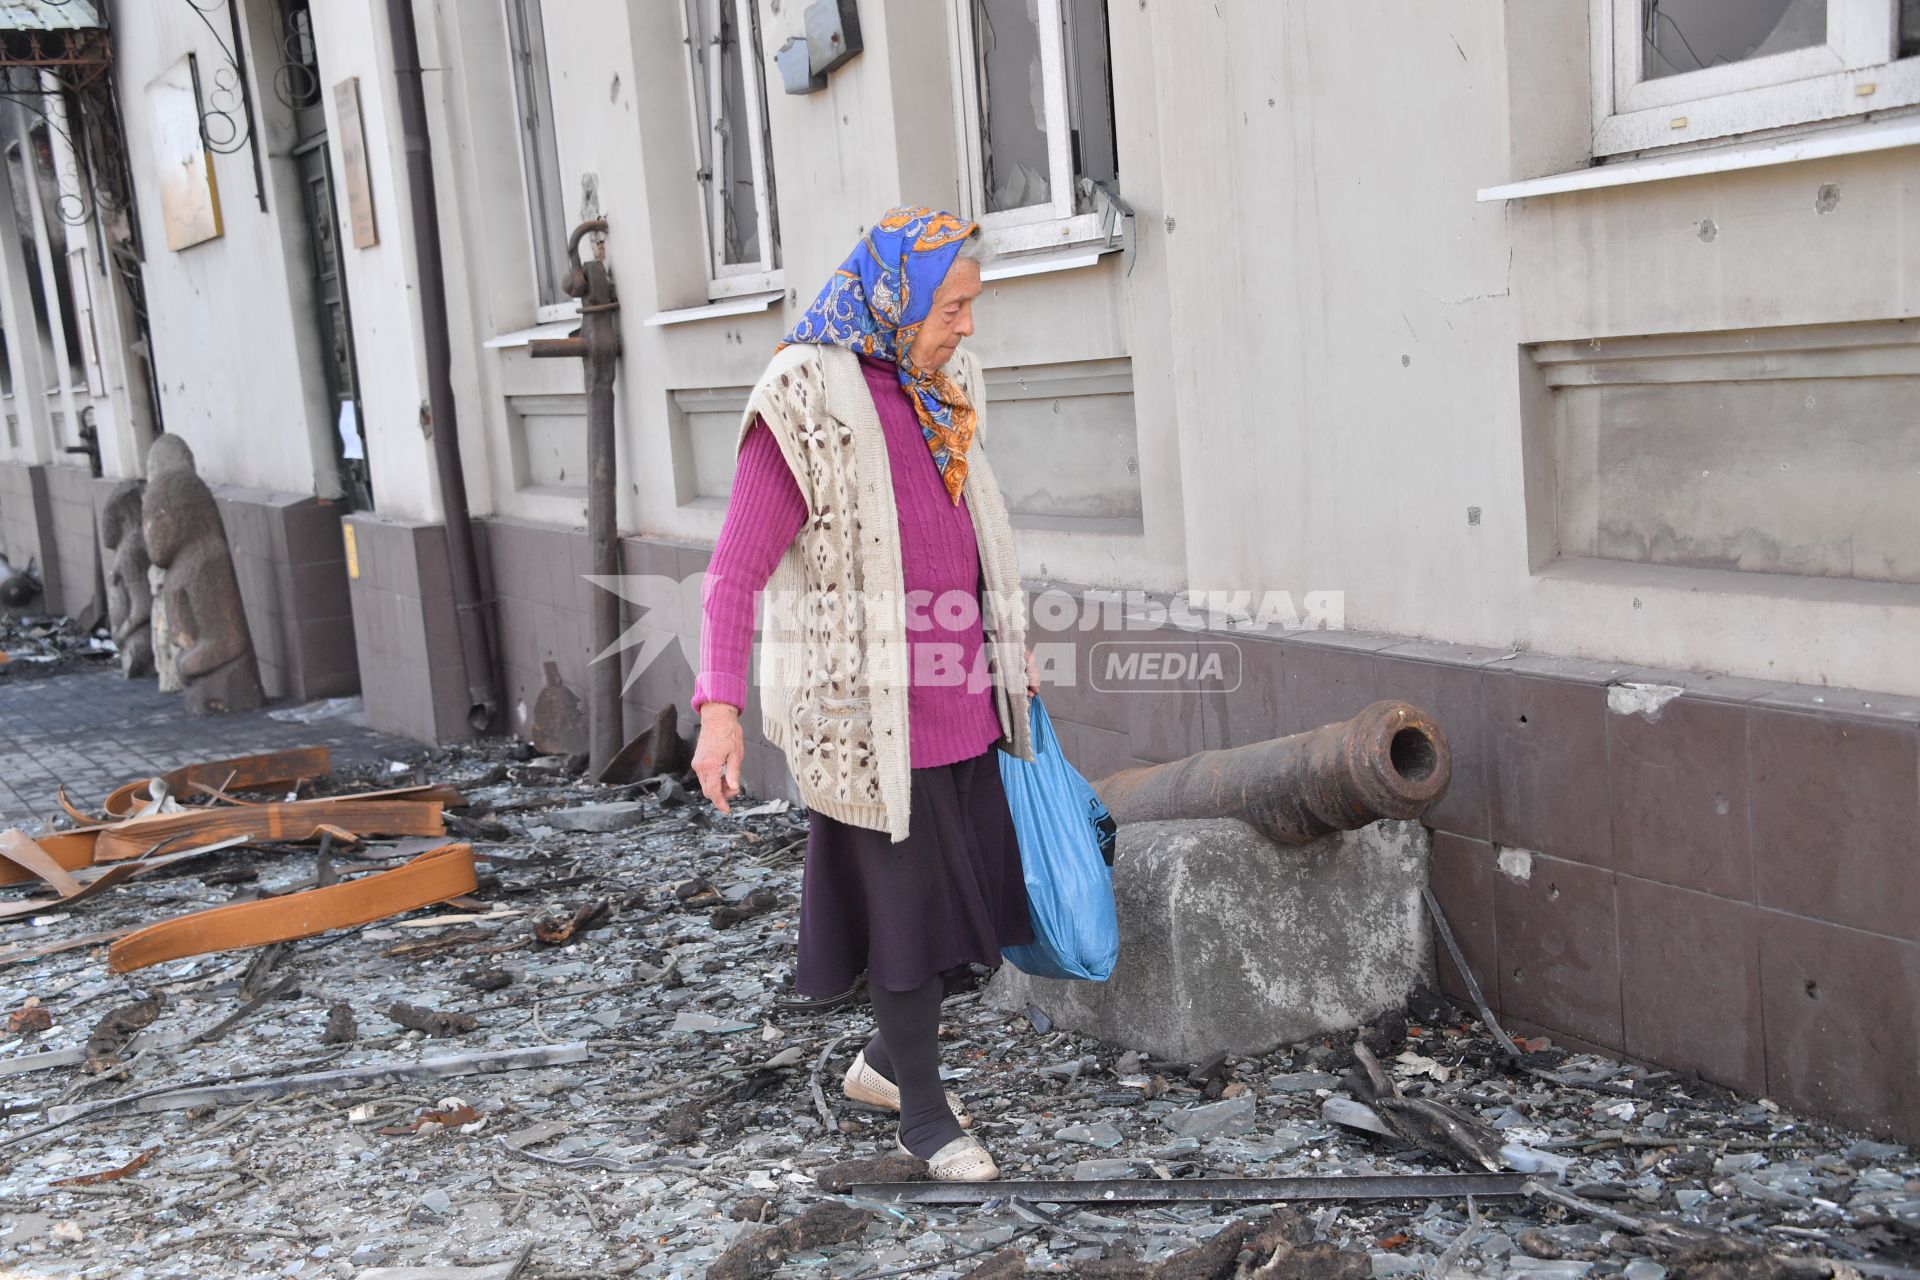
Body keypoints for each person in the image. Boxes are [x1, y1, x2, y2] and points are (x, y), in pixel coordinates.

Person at [691, 207, 1039, 1182]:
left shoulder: (943, 385)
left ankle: (889, 1060)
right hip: (866, 722)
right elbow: (731, 574)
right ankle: (923, 1118)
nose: (967, 324)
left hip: (962, 696)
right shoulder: (804, 397)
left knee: (980, 924)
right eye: (953, 304)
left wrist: (1009, 645)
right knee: (907, 925)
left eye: (972, 304)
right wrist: (719, 707)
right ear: (899, 296)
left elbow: (971, 528)